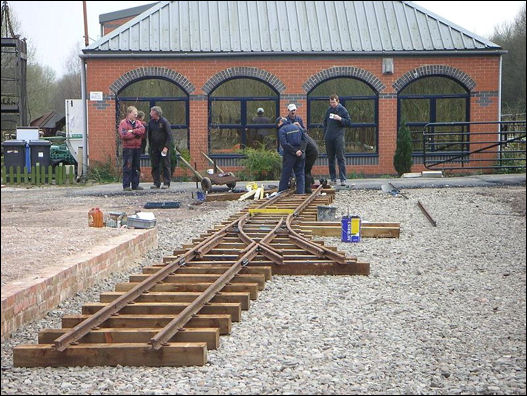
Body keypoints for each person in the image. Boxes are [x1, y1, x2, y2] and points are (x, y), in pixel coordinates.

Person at [323, 94, 352, 186]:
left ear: (338, 101)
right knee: (330, 158)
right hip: (329, 137)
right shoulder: (329, 110)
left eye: (334, 102)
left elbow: (348, 122)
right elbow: (325, 123)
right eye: (331, 102)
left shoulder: (342, 110)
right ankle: (333, 178)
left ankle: (343, 179)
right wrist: (325, 134)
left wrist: (340, 119)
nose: (332, 104)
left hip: (338, 137)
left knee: (340, 158)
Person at [118, 105, 145, 191]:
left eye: (136, 113)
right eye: (134, 113)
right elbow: (123, 135)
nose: (136, 115)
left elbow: (142, 131)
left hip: (137, 148)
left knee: (136, 167)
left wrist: (132, 131)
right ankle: (126, 185)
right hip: (128, 148)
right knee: (128, 166)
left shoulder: (138, 123)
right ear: (129, 113)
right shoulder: (123, 123)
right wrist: (136, 134)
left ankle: (135, 185)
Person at [278, 119, 307, 194]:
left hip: (289, 155)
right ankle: (301, 193)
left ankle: (281, 192)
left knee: (286, 174)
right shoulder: (297, 127)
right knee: (300, 174)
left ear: (280, 122)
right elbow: (305, 139)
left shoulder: (282, 130)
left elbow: (284, 144)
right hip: (300, 154)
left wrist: (295, 151)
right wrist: (301, 150)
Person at [147, 106, 172, 189]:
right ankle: (156, 183)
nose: (150, 113)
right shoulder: (151, 122)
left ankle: (166, 183)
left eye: (151, 111)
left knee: (165, 165)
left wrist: (166, 147)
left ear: (156, 113)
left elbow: (169, 136)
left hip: (163, 147)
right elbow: (149, 135)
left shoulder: (164, 122)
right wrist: (150, 147)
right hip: (154, 147)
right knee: (155, 165)